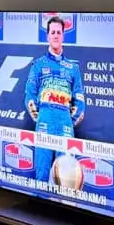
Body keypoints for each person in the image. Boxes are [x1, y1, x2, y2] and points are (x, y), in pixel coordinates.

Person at [25, 16, 85, 186]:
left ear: (63, 36)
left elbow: (80, 100)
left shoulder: (73, 68)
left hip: (65, 124)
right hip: (44, 121)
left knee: (66, 179)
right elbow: (29, 96)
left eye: (59, 32)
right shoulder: (38, 65)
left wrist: (68, 121)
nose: (56, 35)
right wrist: (41, 117)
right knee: (42, 174)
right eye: (53, 32)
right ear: (48, 36)